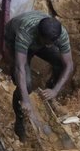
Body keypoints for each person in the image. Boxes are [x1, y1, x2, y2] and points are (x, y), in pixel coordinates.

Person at [4, 11, 75, 140]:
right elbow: (19, 68)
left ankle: (48, 98)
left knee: (60, 63)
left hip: (39, 42)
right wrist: (25, 99)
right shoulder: (25, 31)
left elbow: (69, 65)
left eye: (51, 43)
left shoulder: (60, 34)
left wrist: (55, 90)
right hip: (13, 39)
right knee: (26, 83)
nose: (49, 45)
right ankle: (20, 121)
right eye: (46, 42)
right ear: (39, 35)